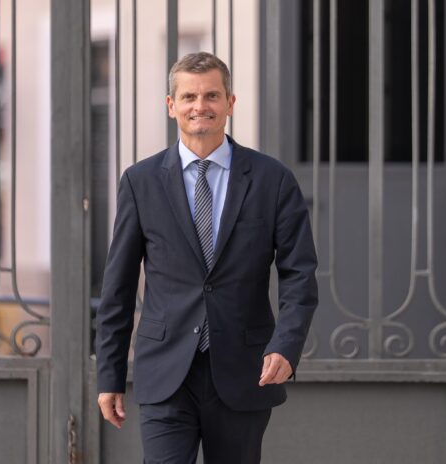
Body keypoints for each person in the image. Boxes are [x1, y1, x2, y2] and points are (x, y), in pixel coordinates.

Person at [96, 51, 318, 463]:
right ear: (171, 105)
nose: (201, 106)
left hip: (244, 371)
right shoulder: (140, 183)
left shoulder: (272, 180)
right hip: (166, 373)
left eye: (212, 95)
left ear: (230, 102)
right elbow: (118, 288)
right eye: (189, 97)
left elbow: (300, 275)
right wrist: (109, 374)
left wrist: (286, 347)